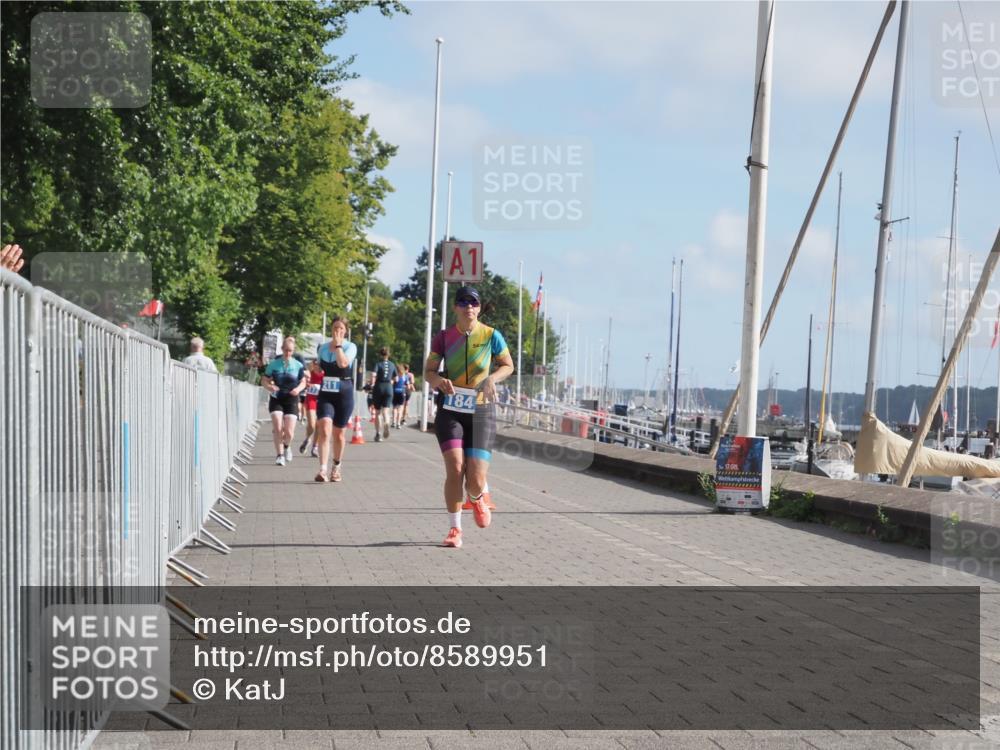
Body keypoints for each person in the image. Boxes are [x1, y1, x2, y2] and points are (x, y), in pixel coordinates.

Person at [423, 286, 514, 549]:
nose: (468, 307)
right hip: (451, 409)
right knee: (454, 468)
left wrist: (492, 378)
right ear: (455, 308)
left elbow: (507, 364)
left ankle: (476, 496)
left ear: (479, 307)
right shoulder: (443, 337)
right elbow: (429, 371)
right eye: (463, 303)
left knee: (474, 477)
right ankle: (455, 528)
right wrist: (440, 380)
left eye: (473, 303)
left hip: (481, 410)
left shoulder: (491, 335)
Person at [313, 317, 357, 482]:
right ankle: (322, 469)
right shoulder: (323, 348)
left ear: (346, 331)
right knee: (324, 429)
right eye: (335, 328)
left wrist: (338, 345)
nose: (337, 331)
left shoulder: (350, 347)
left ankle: (336, 466)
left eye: (341, 329)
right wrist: (316, 368)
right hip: (326, 393)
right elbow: (319, 369)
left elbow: (343, 363)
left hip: (344, 393)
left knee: (339, 434)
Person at [262, 336, 307, 466]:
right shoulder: (273, 364)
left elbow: (303, 382)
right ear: (282, 349)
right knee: (277, 426)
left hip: (291, 399)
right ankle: (279, 455)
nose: (288, 353)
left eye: (290, 351)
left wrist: (298, 389)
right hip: (277, 398)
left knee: (289, 432)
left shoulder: (298, 365)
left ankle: (287, 446)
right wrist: (269, 386)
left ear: (293, 351)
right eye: (286, 350)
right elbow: (264, 379)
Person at [299, 359, 324, 457]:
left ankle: (315, 447)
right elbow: (304, 378)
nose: (318, 366)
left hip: (322, 399)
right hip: (311, 399)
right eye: (316, 364)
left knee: (319, 425)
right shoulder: (311, 370)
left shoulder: (327, 371)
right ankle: (307, 439)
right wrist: (307, 383)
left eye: (320, 364)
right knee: (312, 425)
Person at [372, 347, 397, 442]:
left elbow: (373, 375)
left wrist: (371, 384)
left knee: (378, 412)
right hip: (389, 388)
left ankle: (378, 434)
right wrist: (391, 381)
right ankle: (386, 422)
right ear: (388, 354)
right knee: (386, 411)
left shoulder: (378, 364)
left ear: (380, 354)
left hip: (379, 387)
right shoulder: (392, 365)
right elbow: (396, 378)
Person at [391, 362, 407, 429]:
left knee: (394, 408)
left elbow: (391, 383)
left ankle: (393, 422)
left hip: (395, 392)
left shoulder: (395, 376)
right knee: (400, 408)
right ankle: (398, 424)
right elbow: (407, 385)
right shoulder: (404, 376)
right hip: (401, 393)